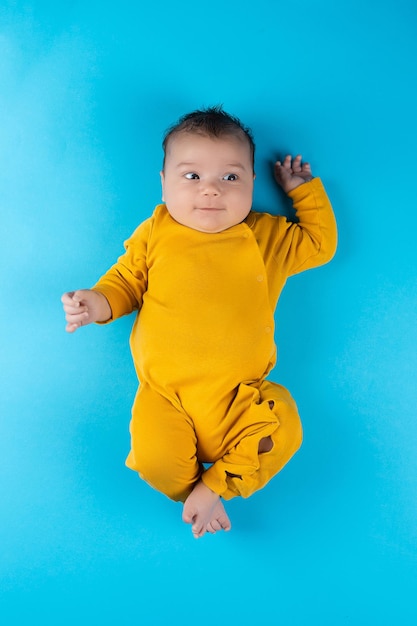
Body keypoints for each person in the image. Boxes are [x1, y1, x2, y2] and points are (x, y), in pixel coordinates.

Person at [62, 106, 337, 538]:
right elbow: (125, 284)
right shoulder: (156, 232)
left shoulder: (265, 235)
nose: (211, 191)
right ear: (163, 183)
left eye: (230, 178)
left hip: (239, 400)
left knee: (284, 422)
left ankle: (216, 485)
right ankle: (201, 494)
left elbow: (319, 244)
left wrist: (302, 191)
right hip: (165, 397)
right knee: (154, 461)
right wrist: (94, 303)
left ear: (251, 183)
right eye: (192, 177)